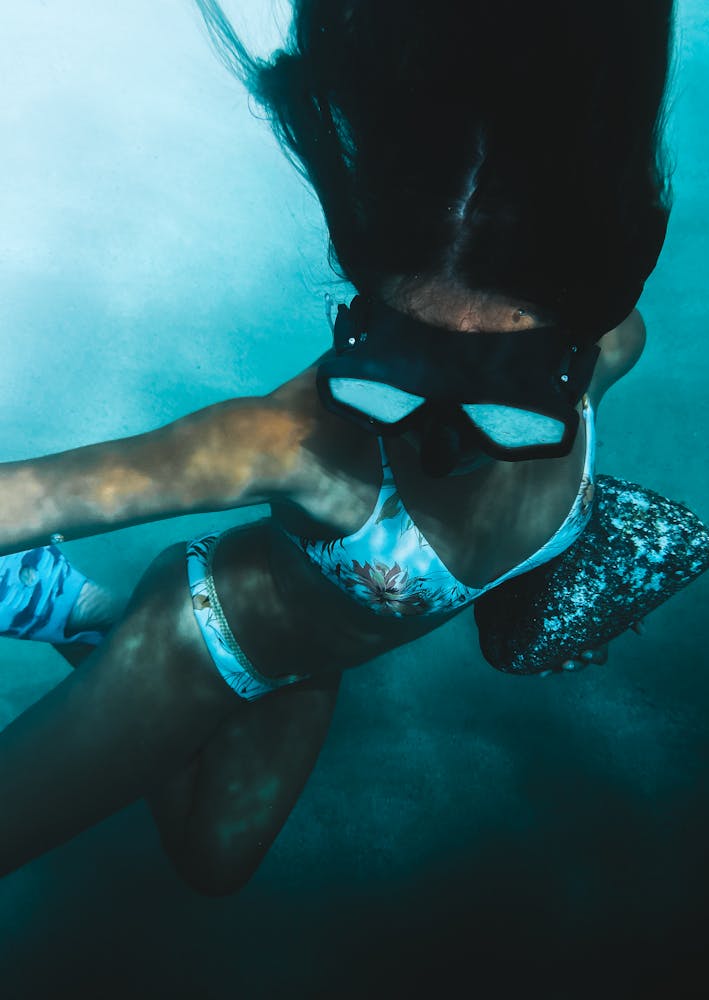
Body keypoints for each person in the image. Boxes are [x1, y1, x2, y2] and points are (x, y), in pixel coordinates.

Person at [0, 0, 675, 895]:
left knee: (213, 862)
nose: (441, 431)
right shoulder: (299, 436)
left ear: (576, 345)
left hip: (309, 664)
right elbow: (32, 495)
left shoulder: (611, 346)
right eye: (403, 369)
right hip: (202, 640)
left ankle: (84, 617)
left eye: (500, 387)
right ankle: (58, 597)